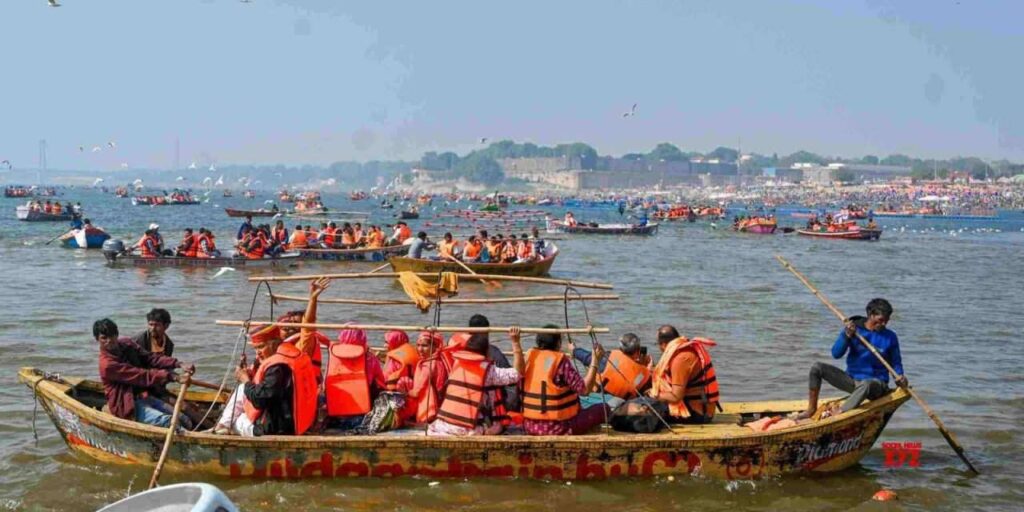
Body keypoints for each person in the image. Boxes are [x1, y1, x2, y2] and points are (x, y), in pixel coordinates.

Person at [798, 298, 906, 419]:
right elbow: (836, 354)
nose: (884, 324)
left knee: (867, 383)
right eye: (881, 320)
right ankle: (811, 409)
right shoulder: (854, 329)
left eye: (887, 321)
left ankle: (841, 412)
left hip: (876, 385)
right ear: (871, 315)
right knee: (817, 368)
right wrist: (847, 336)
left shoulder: (890, 337)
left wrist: (900, 377)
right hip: (853, 381)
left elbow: (896, 362)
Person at [213, 324, 318, 436]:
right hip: (301, 422)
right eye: (255, 348)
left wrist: (246, 380)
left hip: (277, 429)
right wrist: (251, 376)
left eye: (261, 347)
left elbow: (260, 401)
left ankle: (223, 425)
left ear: (274, 344)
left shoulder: (277, 367)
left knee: (235, 421)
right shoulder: (292, 355)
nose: (257, 353)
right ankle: (223, 424)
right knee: (243, 389)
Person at [94, 318, 194, 428]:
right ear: (97, 339)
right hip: (126, 403)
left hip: (143, 396)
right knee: (169, 422)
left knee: (185, 421)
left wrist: (178, 364)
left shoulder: (126, 344)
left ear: (116, 334)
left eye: (112, 336)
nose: (109, 340)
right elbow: (141, 375)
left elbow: (150, 358)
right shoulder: (107, 364)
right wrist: (172, 377)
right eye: (104, 338)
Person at [428, 328, 524, 435]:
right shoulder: (489, 372)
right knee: (499, 426)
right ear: (486, 352)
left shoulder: (456, 363)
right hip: (468, 429)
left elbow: (453, 343)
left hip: (443, 425)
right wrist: (515, 342)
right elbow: (518, 374)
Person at [521, 325, 609, 435]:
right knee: (604, 409)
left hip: (530, 426)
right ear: (558, 343)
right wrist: (594, 361)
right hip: (559, 428)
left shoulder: (528, 358)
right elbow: (585, 389)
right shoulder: (560, 361)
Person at [649, 325, 719, 424]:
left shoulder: (681, 359)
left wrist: (652, 395)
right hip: (701, 409)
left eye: (658, 344)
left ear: (664, 344)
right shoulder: (684, 350)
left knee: (644, 410)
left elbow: (675, 397)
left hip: (697, 414)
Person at [324, 327, 387, 429]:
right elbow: (381, 382)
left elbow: (325, 384)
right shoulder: (370, 358)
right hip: (361, 415)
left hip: (335, 414)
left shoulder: (334, 356)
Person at [571, 333, 652, 400]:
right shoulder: (645, 374)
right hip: (621, 407)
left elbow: (587, 358)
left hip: (597, 398)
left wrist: (574, 350)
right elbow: (647, 391)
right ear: (638, 352)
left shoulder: (609, 357)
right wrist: (648, 368)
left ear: (620, 348)